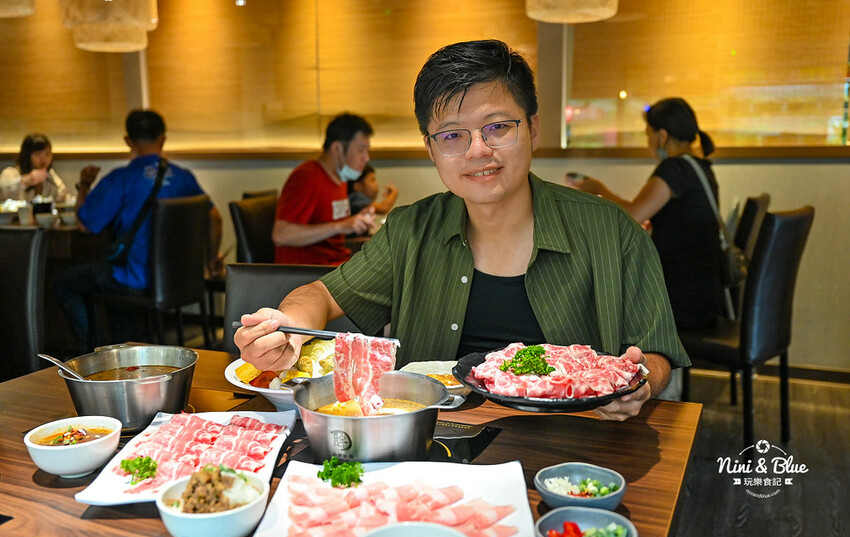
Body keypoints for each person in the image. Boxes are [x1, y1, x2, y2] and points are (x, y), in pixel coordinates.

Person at [236, 40, 689, 421]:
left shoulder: (613, 231)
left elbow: (659, 354)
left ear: (531, 128)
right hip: (435, 445)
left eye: (497, 127)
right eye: (452, 136)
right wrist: (290, 325)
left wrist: (639, 382)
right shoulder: (411, 230)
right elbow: (321, 295)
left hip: (575, 451)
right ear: (431, 150)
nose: (478, 151)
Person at [53, 109, 223, 349]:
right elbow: (215, 218)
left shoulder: (120, 179)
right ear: (163, 139)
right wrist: (209, 260)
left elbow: (85, 224)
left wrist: (84, 185)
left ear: (128, 141)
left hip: (134, 280)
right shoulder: (184, 177)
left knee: (63, 281)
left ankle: (90, 350)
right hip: (180, 280)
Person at [565, 98, 723, 330]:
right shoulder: (699, 167)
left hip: (683, 301)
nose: (648, 141)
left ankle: (604, 363)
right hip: (703, 294)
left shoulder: (675, 168)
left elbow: (633, 214)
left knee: (601, 306)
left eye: (648, 134)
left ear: (662, 135)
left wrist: (598, 190)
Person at [272, 113, 377, 265]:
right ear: (337, 148)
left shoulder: (340, 179)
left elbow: (331, 225)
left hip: (336, 265)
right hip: (310, 273)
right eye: (361, 150)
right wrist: (340, 226)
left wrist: (357, 219)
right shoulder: (306, 177)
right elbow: (281, 235)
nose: (366, 158)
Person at [0, 133, 99, 202]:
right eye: (38, 154)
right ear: (27, 155)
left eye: (47, 154)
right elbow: (4, 191)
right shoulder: (11, 173)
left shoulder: (50, 174)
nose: (44, 159)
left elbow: (64, 196)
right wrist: (26, 180)